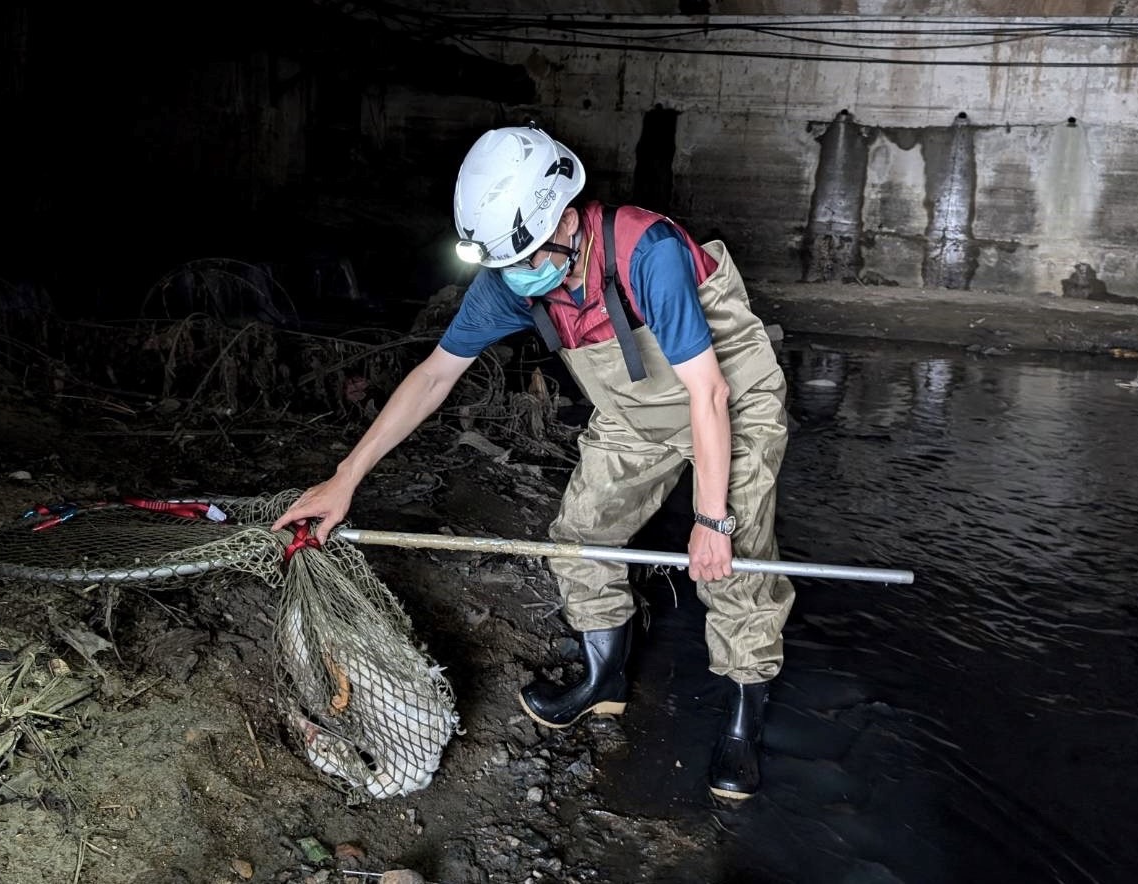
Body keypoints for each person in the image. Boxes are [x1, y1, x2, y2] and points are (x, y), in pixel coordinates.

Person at [273, 125, 794, 801]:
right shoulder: (510, 280)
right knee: (580, 537)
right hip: (634, 418)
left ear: (568, 220)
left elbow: (710, 392)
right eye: (506, 265)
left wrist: (712, 519)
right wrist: (346, 477)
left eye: (527, 257)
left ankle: (742, 718)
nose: (519, 276)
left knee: (736, 559)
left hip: (731, 402)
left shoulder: (648, 251)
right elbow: (433, 377)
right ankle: (603, 679)